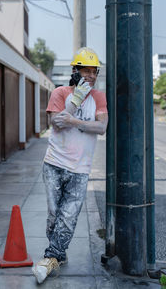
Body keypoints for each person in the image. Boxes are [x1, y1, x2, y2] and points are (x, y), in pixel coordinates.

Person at [32, 47, 108, 284]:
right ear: (75, 71)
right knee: (55, 216)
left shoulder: (98, 97)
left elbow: (101, 127)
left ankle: (50, 258)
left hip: (80, 168)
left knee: (69, 216)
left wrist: (73, 120)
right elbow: (56, 124)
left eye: (94, 71)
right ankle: (59, 253)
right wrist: (74, 101)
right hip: (54, 164)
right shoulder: (60, 93)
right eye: (87, 70)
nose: (92, 76)